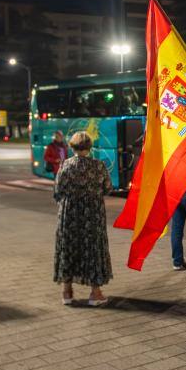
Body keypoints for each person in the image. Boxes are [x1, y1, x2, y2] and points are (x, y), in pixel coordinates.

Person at [53, 131, 113, 306]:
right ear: (89, 146)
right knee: (93, 249)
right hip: (93, 214)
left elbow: (58, 191)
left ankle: (67, 292)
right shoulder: (98, 166)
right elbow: (107, 188)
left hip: (69, 214)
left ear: (72, 147)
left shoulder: (65, 166)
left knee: (68, 247)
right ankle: (95, 293)